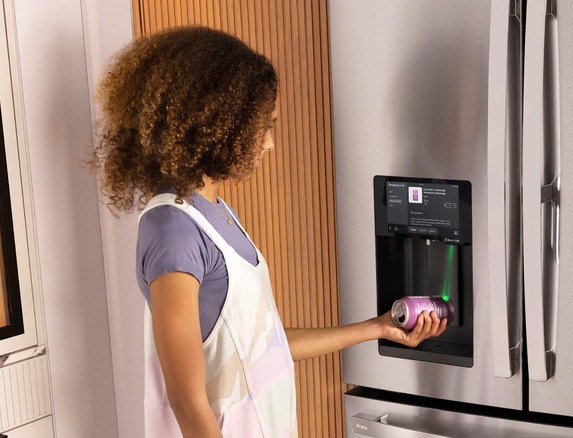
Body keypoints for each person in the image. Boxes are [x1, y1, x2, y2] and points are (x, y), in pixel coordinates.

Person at [88, 26, 446, 438]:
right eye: (264, 126)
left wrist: (377, 327)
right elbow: (186, 401)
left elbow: (261, 348)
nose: (270, 143)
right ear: (218, 123)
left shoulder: (216, 212)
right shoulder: (172, 230)